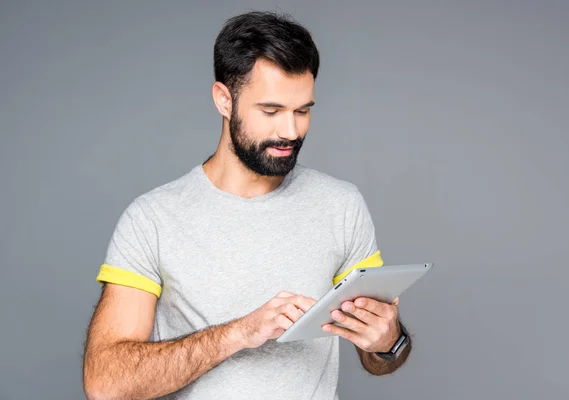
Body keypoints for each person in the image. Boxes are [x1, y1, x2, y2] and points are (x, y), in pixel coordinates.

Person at [83, 11, 411, 400]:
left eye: (302, 111)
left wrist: (388, 340)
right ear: (224, 100)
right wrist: (239, 333)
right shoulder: (152, 220)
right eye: (271, 112)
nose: (290, 131)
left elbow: (381, 359)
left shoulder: (341, 205)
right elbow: (106, 384)